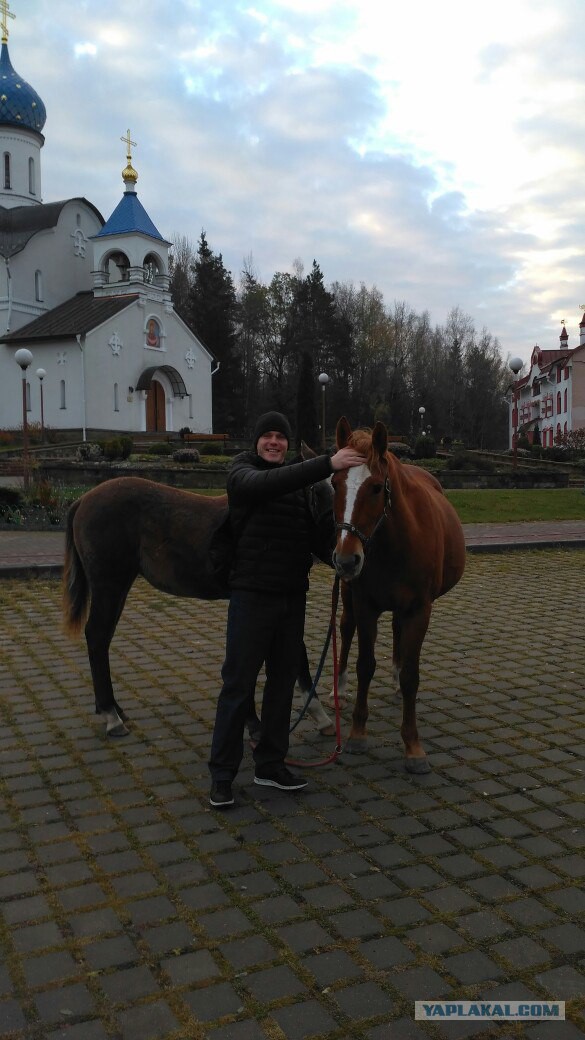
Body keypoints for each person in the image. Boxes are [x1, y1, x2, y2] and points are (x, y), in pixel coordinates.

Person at [208, 410, 365, 808]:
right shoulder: (243, 473)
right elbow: (267, 484)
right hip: (250, 597)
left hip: (291, 599)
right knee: (238, 686)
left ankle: (270, 765)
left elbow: (318, 541)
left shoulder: (302, 489)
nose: (274, 442)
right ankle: (223, 775)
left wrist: (347, 553)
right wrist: (327, 465)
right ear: (256, 442)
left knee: (280, 686)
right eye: (267, 436)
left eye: (281, 436)